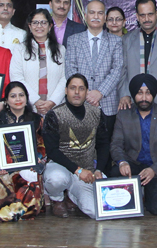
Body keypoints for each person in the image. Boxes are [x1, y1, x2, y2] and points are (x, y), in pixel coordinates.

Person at [65, 0, 124, 174]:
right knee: (80, 148)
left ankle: (103, 189)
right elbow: (70, 70)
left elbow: (117, 69)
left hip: (107, 104)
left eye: (100, 13)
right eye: (92, 12)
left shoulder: (115, 41)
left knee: (105, 149)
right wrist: (85, 94)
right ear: (85, 16)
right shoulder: (74, 40)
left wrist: (100, 93)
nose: (96, 16)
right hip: (80, 104)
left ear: (105, 17)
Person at [110, 74, 157, 216]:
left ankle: (156, 194)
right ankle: (137, 194)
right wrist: (122, 162)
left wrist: (154, 170)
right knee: (113, 175)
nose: (143, 98)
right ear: (133, 95)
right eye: (139, 93)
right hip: (132, 165)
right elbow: (116, 144)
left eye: (148, 93)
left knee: (155, 209)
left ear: (153, 94)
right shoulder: (123, 115)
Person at [42, 74, 107, 218]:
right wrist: (77, 171)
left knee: (97, 212)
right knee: (56, 179)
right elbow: (52, 151)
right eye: (73, 88)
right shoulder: (54, 114)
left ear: (86, 92)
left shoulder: (96, 113)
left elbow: (103, 144)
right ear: (66, 91)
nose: (77, 92)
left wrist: (99, 170)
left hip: (88, 171)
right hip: (61, 166)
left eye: (81, 88)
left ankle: (72, 196)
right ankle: (57, 199)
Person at [0, 81, 47, 222]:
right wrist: (0, 162)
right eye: (13, 96)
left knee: (31, 174)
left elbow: (42, 145)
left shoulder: (37, 119)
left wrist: (37, 158)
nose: (18, 99)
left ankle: (24, 209)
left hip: (28, 163)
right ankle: (1, 209)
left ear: (26, 98)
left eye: (21, 95)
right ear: (6, 100)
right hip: (5, 164)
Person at [119, 0, 157, 111]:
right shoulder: (126, 40)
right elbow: (121, 71)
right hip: (132, 102)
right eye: (142, 15)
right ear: (137, 17)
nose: (146, 18)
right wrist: (125, 94)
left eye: (150, 14)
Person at [9, 9, 67, 116]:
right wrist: (36, 101)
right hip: (29, 107)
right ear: (30, 27)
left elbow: (65, 78)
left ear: (50, 27)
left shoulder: (61, 50)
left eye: (43, 22)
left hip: (56, 108)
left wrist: (52, 102)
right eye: (35, 23)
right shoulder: (19, 49)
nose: (39, 26)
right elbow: (17, 77)